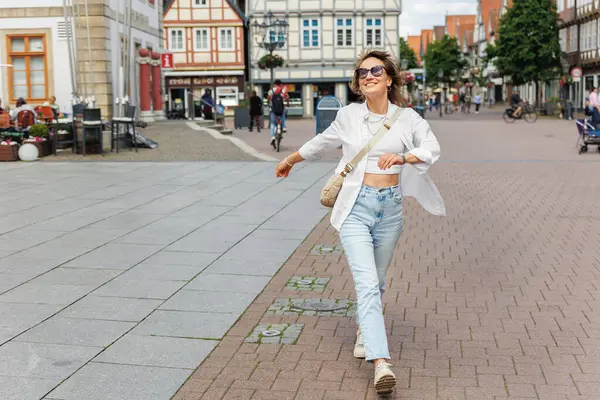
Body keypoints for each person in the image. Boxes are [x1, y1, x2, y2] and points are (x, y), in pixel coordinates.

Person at [275, 50, 445, 396]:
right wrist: (291, 159)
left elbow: (432, 147)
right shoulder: (348, 115)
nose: (368, 76)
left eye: (375, 70)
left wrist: (404, 155)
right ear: (357, 82)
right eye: (362, 72)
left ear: (389, 79)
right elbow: (322, 142)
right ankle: (381, 362)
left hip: (390, 210)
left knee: (377, 281)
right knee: (367, 283)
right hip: (355, 207)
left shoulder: (407, 118)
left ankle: (364, 331)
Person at [267, 79, 289, 147]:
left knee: (273, 123)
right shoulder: (282, 90)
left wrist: (268, 102)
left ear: (274, 84)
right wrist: (287, 103)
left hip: (273, 110)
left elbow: (268, 98)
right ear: (280, 84)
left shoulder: (271, 91)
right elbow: (287, 97)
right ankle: (284, 127)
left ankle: (273, 137)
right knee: (283, 117)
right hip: (281, 110)